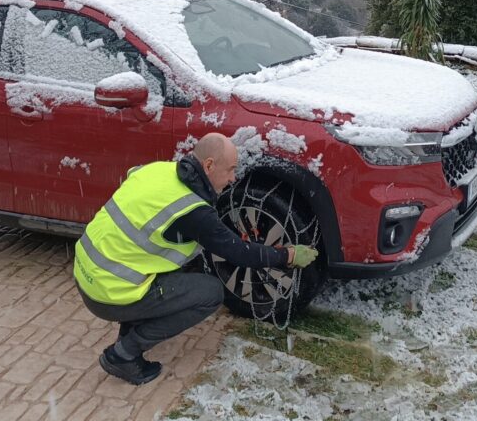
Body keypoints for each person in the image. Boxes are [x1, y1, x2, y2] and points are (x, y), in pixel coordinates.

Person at [74, 131, 319, 385]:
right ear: (209, 165)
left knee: (176, 270)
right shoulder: (192, 211)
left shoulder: (158, 170)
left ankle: (130, 326)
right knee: (210, 293)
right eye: (230, 170)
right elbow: (238, 252)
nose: (233, 178)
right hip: (108, 292)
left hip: (86, 269)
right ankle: (123, 355)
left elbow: (133, 178)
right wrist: (287, 255)